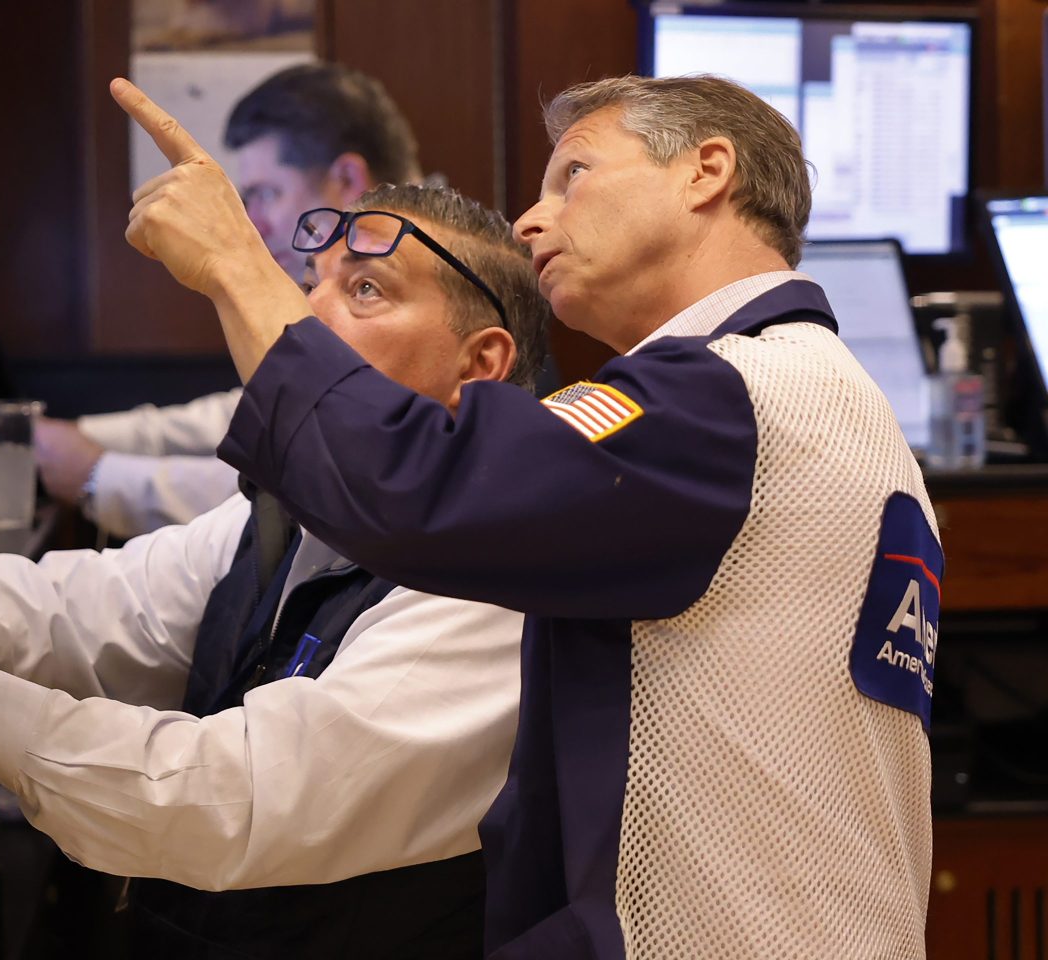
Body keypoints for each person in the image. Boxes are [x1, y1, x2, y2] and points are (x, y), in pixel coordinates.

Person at [111, 73, 944, 959]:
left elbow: (416, 487)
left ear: (706, 171)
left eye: (573, 174)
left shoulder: (726, 395)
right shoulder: (821, 394)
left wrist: (236, 264)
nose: (528, 222)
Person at [0, 182, 551, 959]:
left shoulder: (492, 578)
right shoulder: (291, 510)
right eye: (309, 283)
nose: (305, 317)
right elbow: (96, 603)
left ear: (479, 364)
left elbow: (232, 797)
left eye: (365, 290)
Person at [34, 63, 422, 539]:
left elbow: (317, 478)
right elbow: (262, 409)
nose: (254, 222)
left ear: (346, 179)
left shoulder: (421, 290)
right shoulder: (352, 274)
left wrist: (97, 474)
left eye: (266, 194)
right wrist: (84, 436)